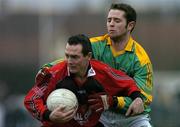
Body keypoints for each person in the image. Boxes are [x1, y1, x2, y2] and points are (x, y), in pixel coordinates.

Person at [24, 34, 144, 127]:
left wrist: (138, 98)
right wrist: (48, 115)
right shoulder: (54, 73)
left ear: (88, 56)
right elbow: (31, 99)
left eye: (75, 57)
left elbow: (128, 82)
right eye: (67, 56)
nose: (69, 61)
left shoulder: (102, 71)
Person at [90, 3, 153, 127]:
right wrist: (48, 67)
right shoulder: (93, 46)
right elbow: (70, 59)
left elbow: (142, 100)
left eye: (117, 20)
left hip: (132, 118)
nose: (111, 24)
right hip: (100, 115)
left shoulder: (141, 59)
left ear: (130, 25)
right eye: (109, 20)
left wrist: (113, 101)